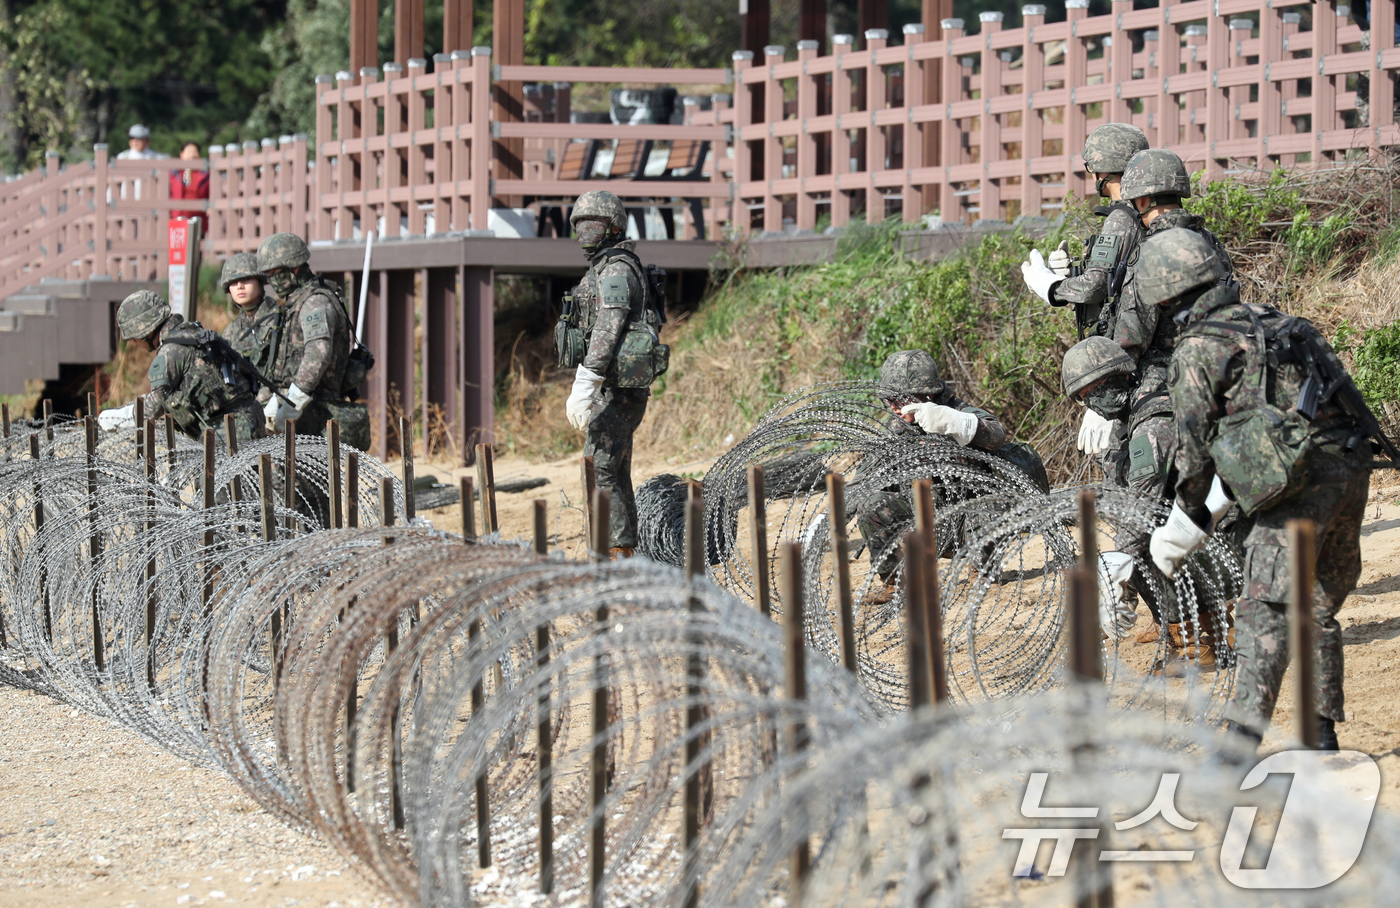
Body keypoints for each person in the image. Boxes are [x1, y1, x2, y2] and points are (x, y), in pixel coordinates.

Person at [1142, 228, 1376, 751]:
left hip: (1296, 490)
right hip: (1351, 472)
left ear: (1166, 295)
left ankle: (1237, 747)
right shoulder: (1279, 322)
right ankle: (1320, 737)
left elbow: (1194, 449)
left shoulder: (1200, 348)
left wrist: (1188, 517)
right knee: (1315, 609)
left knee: (1263, 611)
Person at [857, 350, 1048, 602]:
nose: (892, 406)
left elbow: (997, 435)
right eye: (888, 399)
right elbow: (864, 479)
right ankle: (895, 582)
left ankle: (983, 572)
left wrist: (954, 422)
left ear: (926, 394)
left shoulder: (958, 413)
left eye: (898, 398)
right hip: (925, 524)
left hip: (971, 521)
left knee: (988, 504)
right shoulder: (895, 429)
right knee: (871, 506)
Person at [558, 190, 667, 558]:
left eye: (591, 224)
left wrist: (585, 381)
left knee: (601, 466)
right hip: (613, 387)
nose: (583, 232)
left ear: (613, 227)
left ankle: (614, 554)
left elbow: (609, 324)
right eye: (579, 225)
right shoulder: (604, 266)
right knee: (613, 471)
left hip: (621, 390)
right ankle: (621, 553)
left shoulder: (617, 269)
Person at [1020, 122, 1149, 338]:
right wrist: (1073, 273)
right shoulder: (1147, 211)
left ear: (1104, 169)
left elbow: (1094, 286)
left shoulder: (1120, 218)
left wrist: (1048, 285)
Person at [96, 291, 264, 443]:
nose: (134, 343)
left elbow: (151, 410)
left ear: (145, 331)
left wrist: (117, 418)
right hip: (249, 415)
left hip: (227, 429)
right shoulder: (191, 333)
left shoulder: (169, 352)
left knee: (219, 477)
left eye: (134, 337)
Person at [255, 232, 370, 451]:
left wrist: (291, 403)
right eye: (268, 276)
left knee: (299, 483)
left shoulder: (314, 302)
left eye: (276, 274)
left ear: (295, 268)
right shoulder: (296, 302)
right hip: (303, 411)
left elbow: (318, 354)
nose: (272, 282)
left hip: (314, 413)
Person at [219, 253, 280, 389]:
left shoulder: (280, 320)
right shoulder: (231, 332)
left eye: (246, 279)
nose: (239, 286)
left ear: (260, 282)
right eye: (233, 282)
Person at [170, 142, 210, 233]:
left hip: (199, 218)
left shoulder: (206, 175)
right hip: (178, 217)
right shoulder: (174, 174)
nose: (192, 155)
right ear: (182, 154)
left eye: (195, 152)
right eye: (188, 152)